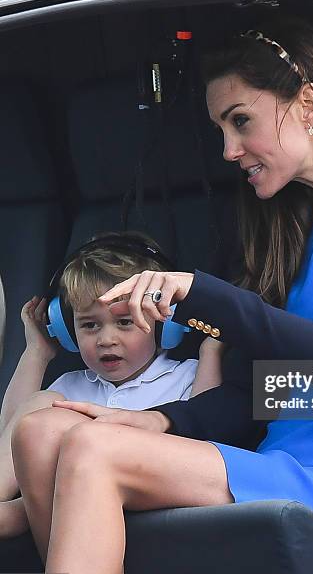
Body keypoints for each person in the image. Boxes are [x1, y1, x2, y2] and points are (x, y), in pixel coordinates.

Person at [11, 18, 313, 574]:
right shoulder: (289, 225)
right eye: (221, 131)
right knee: (39, 434)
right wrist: (154, 420)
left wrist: (198, 292)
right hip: (273, 460)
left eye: (241, 122)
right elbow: (258, 393)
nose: (230, 151)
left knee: (91, 451)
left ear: (308, 102)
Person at [0, 231, 224, 539]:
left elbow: (209, 432)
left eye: (124, 322)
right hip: (71, 509)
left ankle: (23, 512)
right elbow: (12, 434)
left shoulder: (187, 376)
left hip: (151, 497)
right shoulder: (69, 386)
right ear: (67, 331)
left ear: (164, 323)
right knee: (41, 404)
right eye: (90, 325)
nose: (106, 340)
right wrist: (36, 353)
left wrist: (210, 351)